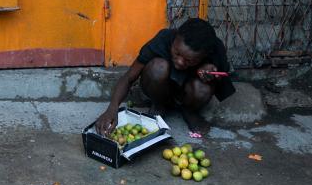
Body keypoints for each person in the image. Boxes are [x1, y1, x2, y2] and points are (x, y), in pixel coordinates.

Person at [93, 18, 235, 136]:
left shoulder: (215, 50)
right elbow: (129, 77)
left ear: (203, 55)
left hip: (188, 93)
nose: (180, 62)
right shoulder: (164, 38)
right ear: (175, 38)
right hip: (162, 89)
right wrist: (112, 109)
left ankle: (189, 111)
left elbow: (221, 81)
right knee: (158, 68)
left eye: (189, 60)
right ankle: (159, 105)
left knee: (202, 88)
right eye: (177, 52)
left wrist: (211, 74)